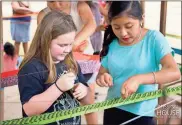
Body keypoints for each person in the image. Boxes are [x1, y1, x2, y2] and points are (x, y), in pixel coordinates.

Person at [96, 1, 181, 125]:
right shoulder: (113, 43)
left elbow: (174, 72)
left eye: (129, 26)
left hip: (142, 114)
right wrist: (102, 77)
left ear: (142, 19)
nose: (123, 33)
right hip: (112, 108)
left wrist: (139, 79)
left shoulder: (153, 39)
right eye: (116, 27)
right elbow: (102, 72)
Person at [18, 11, 89, 125]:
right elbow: (29, 109)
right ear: (45, 40)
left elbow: (87, 96)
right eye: (62, 45)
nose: (67, 50)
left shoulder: (70, 62)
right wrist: (58, 88)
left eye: (70, 44)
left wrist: (83, 90)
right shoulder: (31, 68)